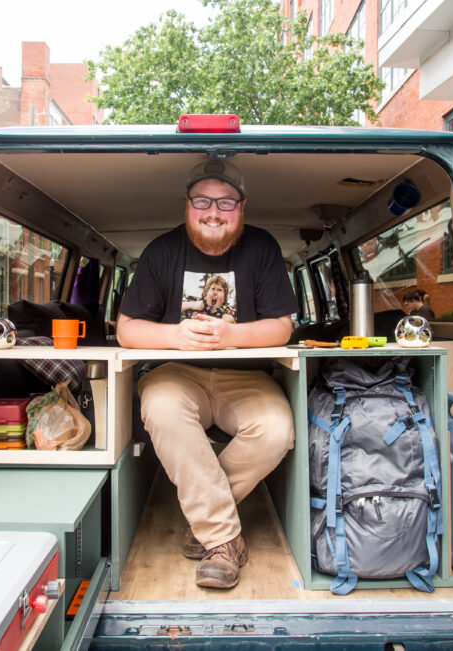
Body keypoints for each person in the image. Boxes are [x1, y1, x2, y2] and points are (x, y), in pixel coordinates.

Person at [116, 157, 297, 589]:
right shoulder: (161, 252)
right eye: (202, 201)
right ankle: (222, 539)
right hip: (176, 372)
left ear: (242, 206)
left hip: (247, 375)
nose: (213, 211)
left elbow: (282, 326)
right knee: (159, 406)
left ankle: (204, 514)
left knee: (276, 430)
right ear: (187, 204)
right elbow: (126, 330)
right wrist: (177, 336)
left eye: (226, 202)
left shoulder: (263, 248)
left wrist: (230, 335)